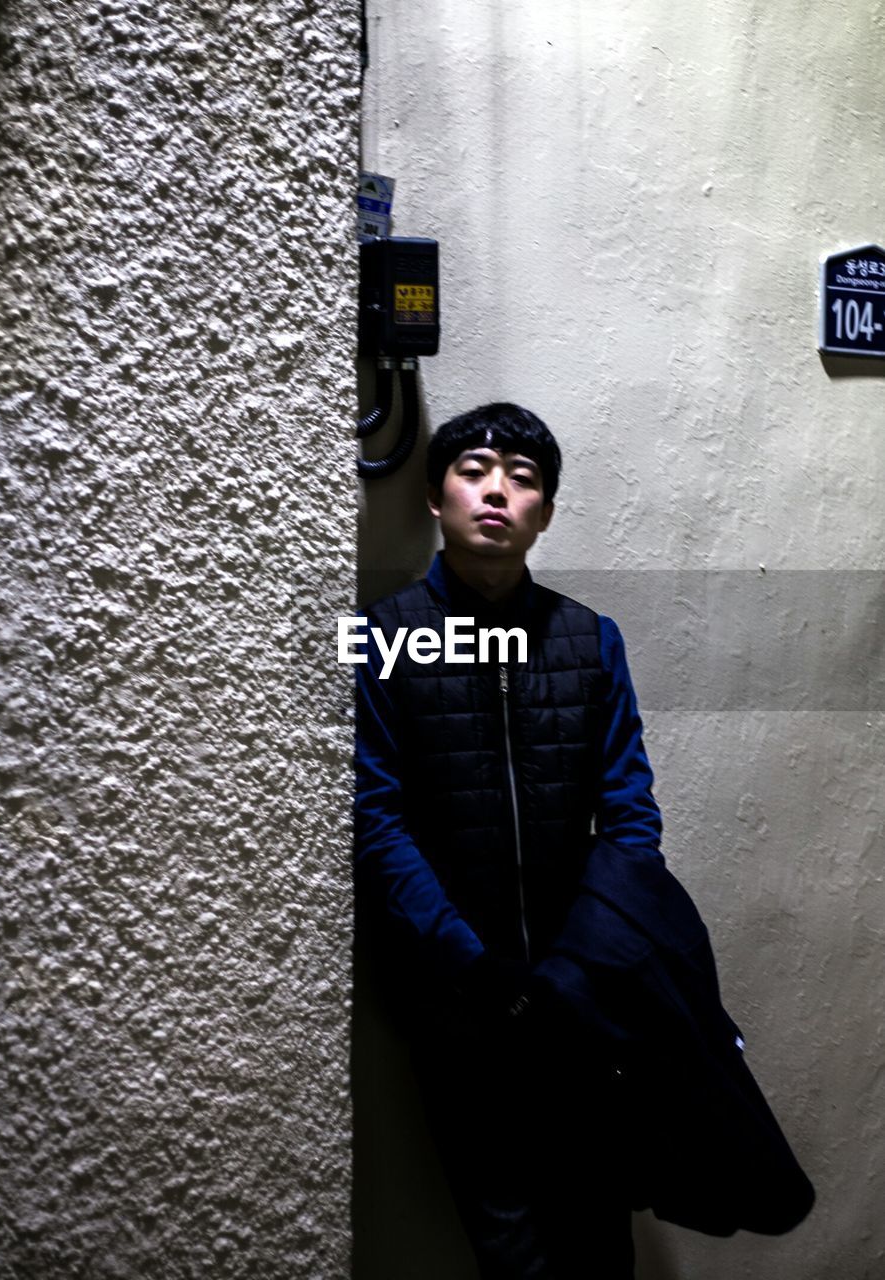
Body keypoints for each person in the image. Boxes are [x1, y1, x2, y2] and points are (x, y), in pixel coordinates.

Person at [354, 402, 663, 1279]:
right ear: (433, 497)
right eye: (475, 470)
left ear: (546, 514)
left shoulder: (591, 639)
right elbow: (376, 821)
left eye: (523, 480)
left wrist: (590, 960)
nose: (498, 490)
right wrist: (471, 966)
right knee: (511, 1243)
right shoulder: (379, 638)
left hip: (581, 998)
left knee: (600, 1235)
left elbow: (632, 817)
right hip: (459, 1002)